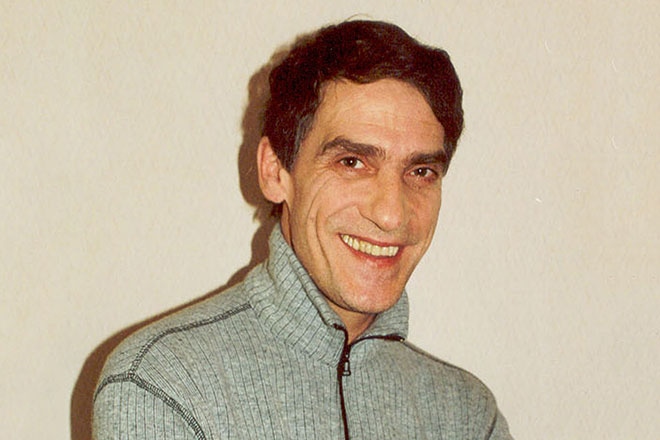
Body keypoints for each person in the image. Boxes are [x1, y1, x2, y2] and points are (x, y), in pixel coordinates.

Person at [93, 20, 513, 439]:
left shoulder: (469, 416)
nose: (391, 214)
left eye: (421, 171)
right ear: (275, 171)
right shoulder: (162, 386)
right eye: (352, 162)